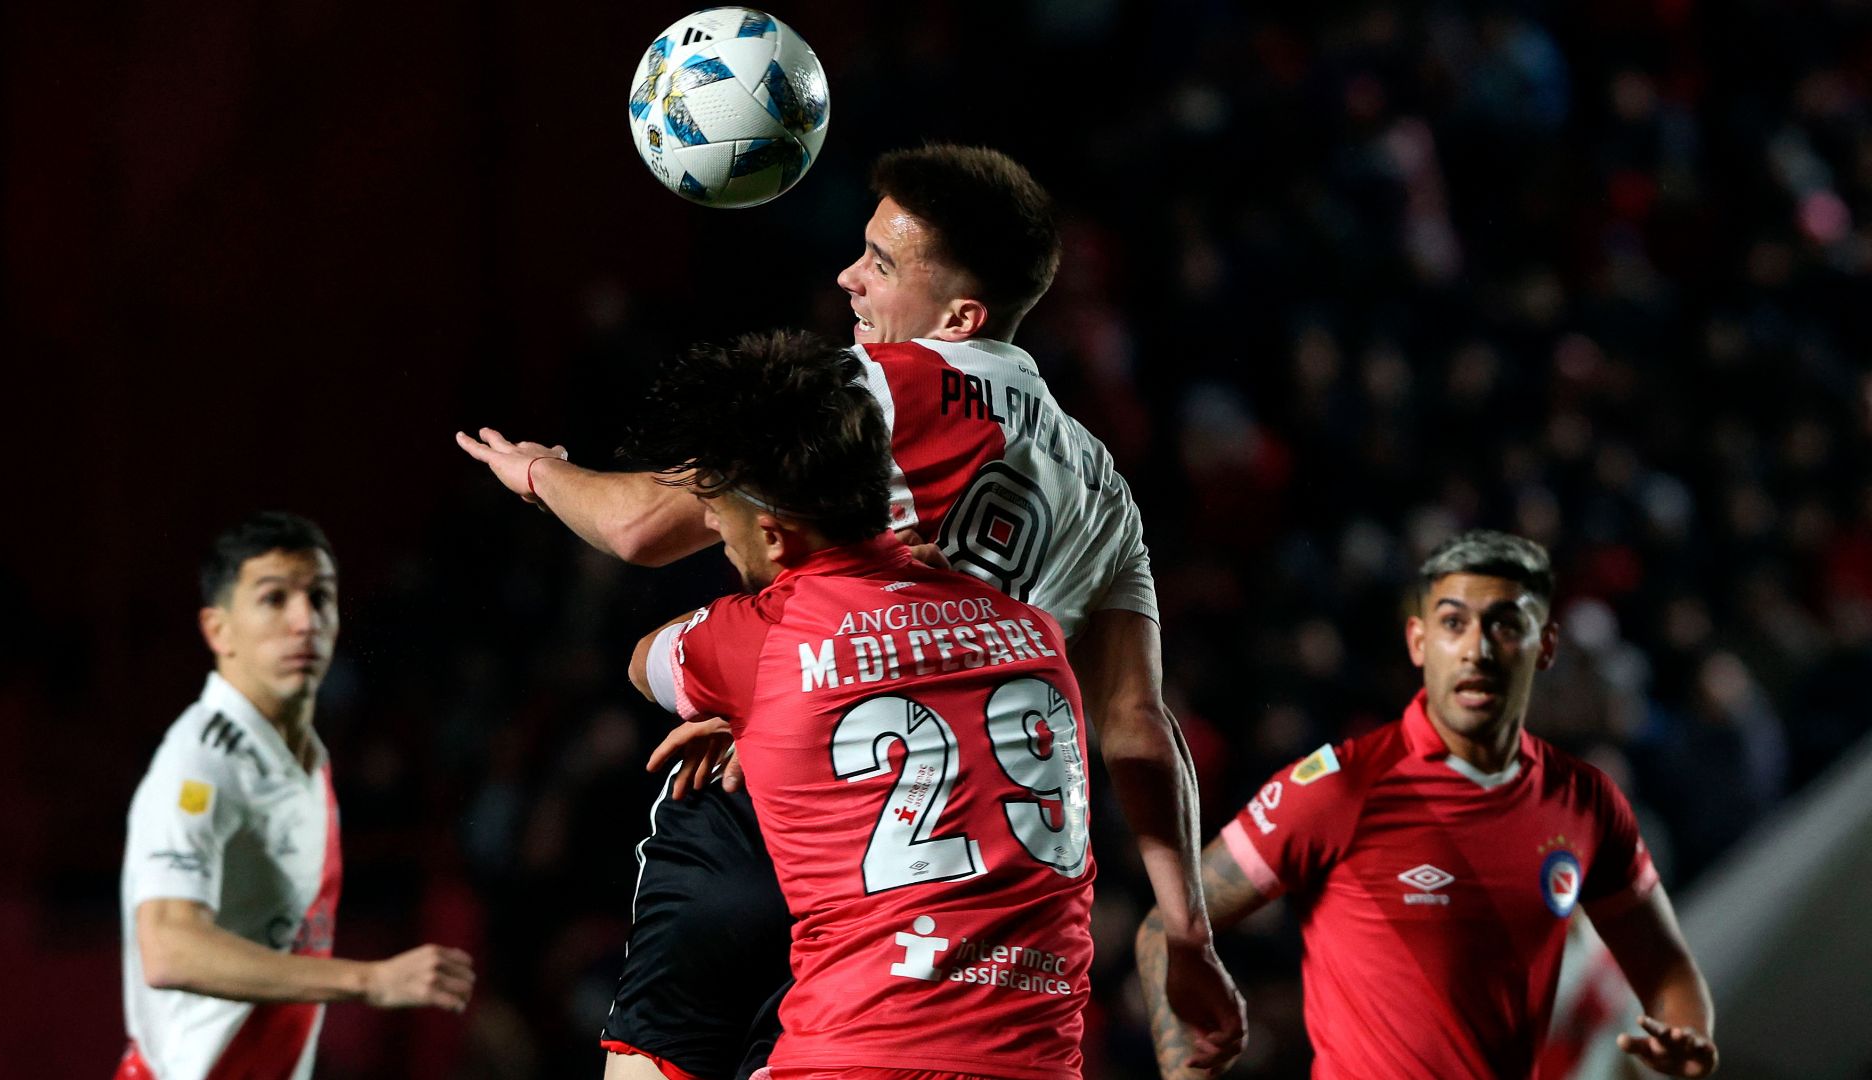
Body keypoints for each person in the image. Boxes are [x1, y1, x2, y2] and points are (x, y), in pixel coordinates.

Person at [456, 145, 1242, 1078]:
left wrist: (538, 475)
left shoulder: (869, 388)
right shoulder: (1105, 487)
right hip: (962, 882)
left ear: (961, 316)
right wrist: (1187, 929)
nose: (848, 278)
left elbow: (642, 527)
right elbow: (1138, 727)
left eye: (880, 262)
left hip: (791, 816)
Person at [625, 328, 1097, 1080]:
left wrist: (748, 706)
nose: (711, 527)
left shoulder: (762, 636)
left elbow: (647, 661)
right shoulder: (1035, 633)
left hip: (859, 1051)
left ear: (773, 536)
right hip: (1040, 1063)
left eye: (717, 512)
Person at [1136, 530, 1719, 1079]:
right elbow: (1167, 928)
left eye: (1504, 625)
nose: (1477, 650)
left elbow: (1668, 973)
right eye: (1454, 624)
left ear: (1543, 647)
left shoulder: (1587, 802)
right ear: (1419, 642)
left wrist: (1682, 1037)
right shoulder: (1339, 789)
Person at [116, 512, 476, 1080]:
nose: (305, 621)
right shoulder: (199, 763)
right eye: (273, 598)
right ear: (218, 630)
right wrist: (369, 980)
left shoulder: (307, 756)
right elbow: (167, 948)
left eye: (320, 597)